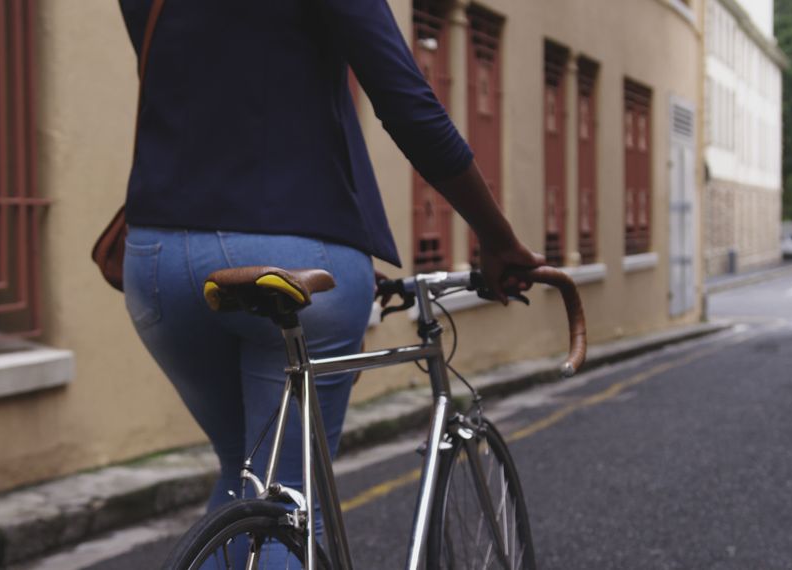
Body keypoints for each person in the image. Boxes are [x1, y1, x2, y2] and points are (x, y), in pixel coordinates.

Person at [116, 0, 543, 547]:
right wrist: (496, 237)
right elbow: (409, 104)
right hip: (297, 250)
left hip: (158, 260)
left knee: (245, 478)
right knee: (292, 496)